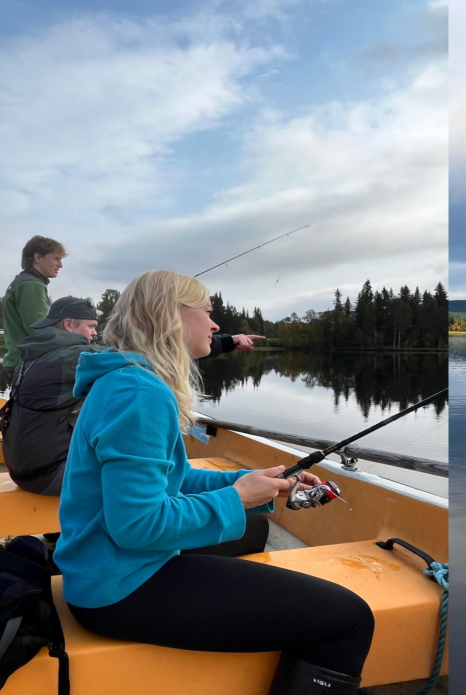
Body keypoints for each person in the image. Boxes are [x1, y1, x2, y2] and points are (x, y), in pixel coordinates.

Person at [54, 270, 373, 694]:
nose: (216, 324)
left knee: (263, 536)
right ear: (171, 316)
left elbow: (174, 479)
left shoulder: (126, 380)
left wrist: (258, 483)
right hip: (120, 588)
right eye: (207, 311)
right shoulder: (139, 393)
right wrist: (236, 498)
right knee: (348, 619)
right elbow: (137, 524)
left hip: (109, 571)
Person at [2, 296, 263, 497]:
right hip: (48, 473)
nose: (95, 333)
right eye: (90, 326)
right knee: (149, 476)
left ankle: (56, 534)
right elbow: (152, 353)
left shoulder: (35, 354)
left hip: (25, 467)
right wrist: (226, 342)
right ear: (68, 324)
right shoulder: (71, 358)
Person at [3, 236, 66, 375]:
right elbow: (40, 329)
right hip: (28, 365)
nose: (60, 265)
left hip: (21, 362)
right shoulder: (31, 284)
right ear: (38, 258)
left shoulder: (23, 281)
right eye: (56, 258)